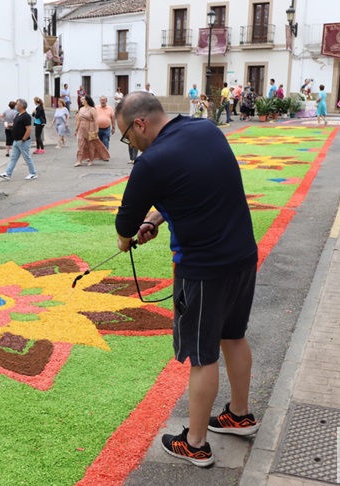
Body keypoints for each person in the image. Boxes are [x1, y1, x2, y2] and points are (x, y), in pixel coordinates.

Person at [114, 92, 259, 468]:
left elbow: (123, 226)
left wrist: (131, 232)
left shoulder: (151, 162)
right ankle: (239, 415)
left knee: (202, 354)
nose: (130, 144)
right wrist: (156, 219)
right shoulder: (206, 130)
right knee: (234, 335)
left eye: (127, 136)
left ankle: (195, 443)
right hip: (242, 256)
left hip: (203, 269)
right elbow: (189, 186)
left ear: (140, 124)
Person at [0, 99, 37, 180]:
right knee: (13, 158)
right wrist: (10, 125)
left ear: (21, 106)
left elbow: (29, 129)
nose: (15, 106)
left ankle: (33, 173)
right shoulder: (18, 115)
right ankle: (7, 173)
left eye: (17, 104)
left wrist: (24, 139)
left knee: (26, 157)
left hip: (23, 141)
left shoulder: (26, 116)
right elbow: (16, 124)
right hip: (16, 140)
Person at [74, 95, 110, 166]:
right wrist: (76, 129)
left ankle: (91, 160)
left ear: (87, 101)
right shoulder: (81, 109)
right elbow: (79, 120)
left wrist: (96, 129)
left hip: (90, 127)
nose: (82, 101)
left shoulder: (92, 109)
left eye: (83, 99)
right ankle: (79, 161)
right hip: (81, 128)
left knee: (90, 145)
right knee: (80, 144)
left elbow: (95, 120)